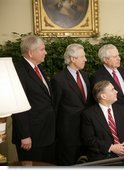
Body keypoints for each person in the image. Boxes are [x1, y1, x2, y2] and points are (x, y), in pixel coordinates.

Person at [12, 35, 55, 164]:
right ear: (31, 52)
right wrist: (25, 135)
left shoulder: (38, 67)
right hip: (30, 137)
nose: (45, 52)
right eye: (42, 49)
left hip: (46, 133)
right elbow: (18, 105)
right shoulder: (18, 70)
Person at [51, 43, 91, 165]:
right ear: (73, 59)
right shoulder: (59, 79)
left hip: (86, 131)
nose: (86, 59)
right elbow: (55, 109)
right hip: (68, 134)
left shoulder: (85, 75)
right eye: (82, 56)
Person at [81, 80, 124, 162]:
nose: (116, 91)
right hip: (103, 159)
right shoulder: (89, 114)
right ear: (103, 96)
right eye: (112, 89)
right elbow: (89, 140)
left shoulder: (122, 109)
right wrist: (111, 148)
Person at [91, 44, 124, 129]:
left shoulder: (121, 70)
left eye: (118, 55)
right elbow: (100, 101)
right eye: (115, 57)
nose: (119, 58)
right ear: (106, 60)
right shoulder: (97, 77)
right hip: (113, 119)